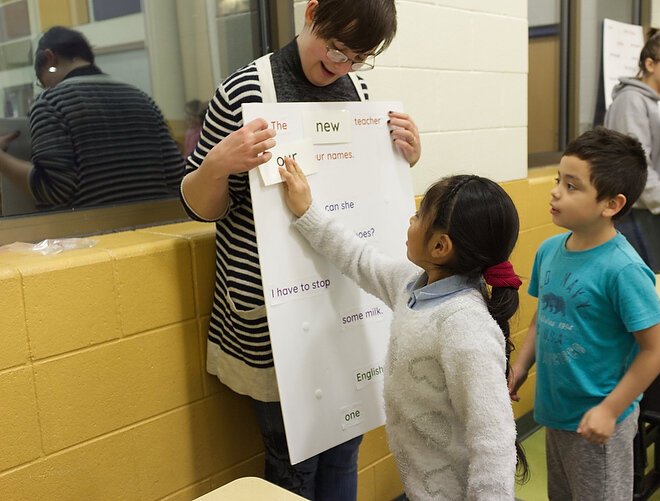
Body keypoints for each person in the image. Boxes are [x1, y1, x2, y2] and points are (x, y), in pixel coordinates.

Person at [179, 1, 421, 498]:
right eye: (336, 48)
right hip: (273, 315)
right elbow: (200, 209)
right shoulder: (245, 91)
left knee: (346, 450)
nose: (341, 66)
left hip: (344, 303)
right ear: (311, 12)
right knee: (294, 466)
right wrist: (218, 164)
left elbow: (367, 194)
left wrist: (405, 159)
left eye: (358, 58)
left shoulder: (358, 92)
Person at [280, 157, 526, 500]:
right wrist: (308, 212)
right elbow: (359, 259)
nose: (411, 219)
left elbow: (494, 442)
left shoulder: (465, 326)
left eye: (419, 215)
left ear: (440, 247)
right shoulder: (411, 285)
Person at [509, 127, 660, 500]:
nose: (555, 192)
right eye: (557, 180)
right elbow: (540, 321)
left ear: (611, 204)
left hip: (598, 424)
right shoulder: (549, 250)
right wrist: (520, 367)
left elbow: (656, 349)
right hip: (556, 413)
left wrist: (610, 410)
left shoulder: (624, 269)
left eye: (572, 186)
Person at [0, 26, 184, 210]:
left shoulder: (51, 103)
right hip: (154, 224)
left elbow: (53, 190)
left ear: (50, 58)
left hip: (90, 227)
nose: (46, 88)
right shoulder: (142, 99)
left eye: (42, 81)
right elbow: (177, 177)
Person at [603, 28, 660, 273]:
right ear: (650, 64)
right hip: (638, 213)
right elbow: (636, 167)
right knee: (649, 283)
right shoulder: (631, 101)